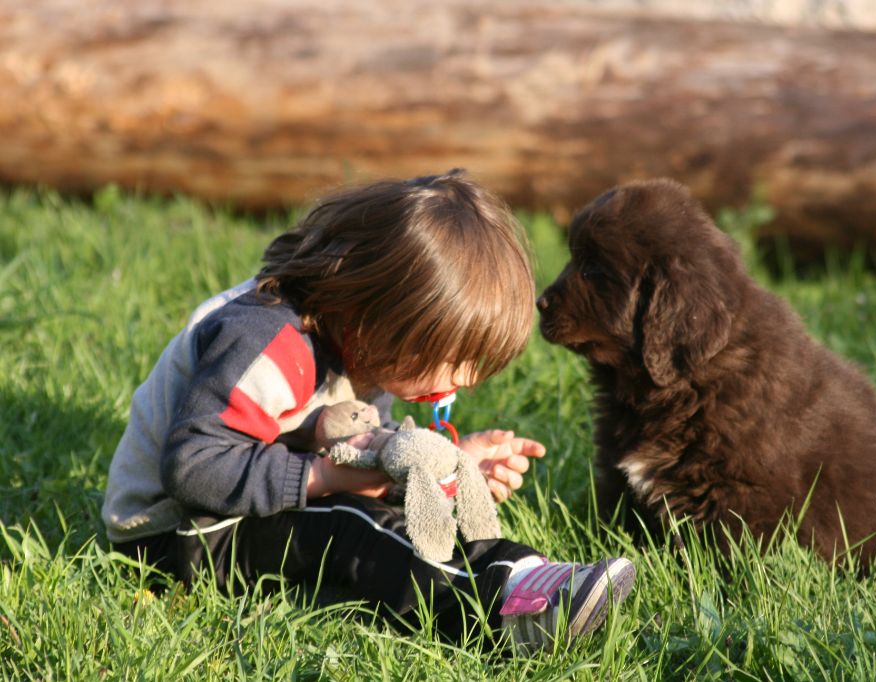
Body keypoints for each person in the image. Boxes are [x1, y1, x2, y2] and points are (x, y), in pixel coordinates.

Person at [102, 169, 635, 652]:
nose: (467, 379)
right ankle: (505, 610)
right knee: (356, 528)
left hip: (245, 503)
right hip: (175, 533)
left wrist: (444, 465)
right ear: (387, 317)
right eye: (456, 358)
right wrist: (329, 477)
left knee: (394, 518)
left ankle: (527, 574)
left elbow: (354, 448)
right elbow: (194, 467)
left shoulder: (361, 342)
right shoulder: (266, 343)